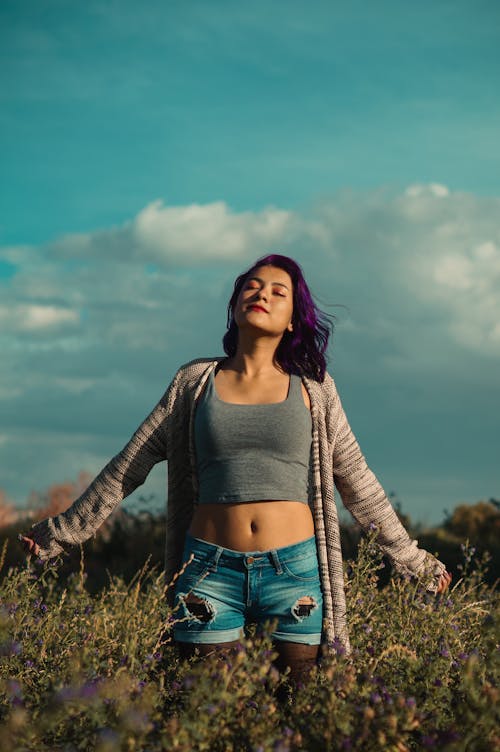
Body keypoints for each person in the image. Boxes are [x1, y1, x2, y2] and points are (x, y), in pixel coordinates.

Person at [20, 254, 451, 684]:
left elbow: (358, 481)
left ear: (291, 321)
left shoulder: (316, 390)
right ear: (235, 304)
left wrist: (413, 561)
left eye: (278, 292)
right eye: (252, 286)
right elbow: (128, 466)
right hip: (208, 571)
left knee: (300, 714)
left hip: (295, 572)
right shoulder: (193, 383)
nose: (262, 293)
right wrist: (60, 533)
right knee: (207, 712)